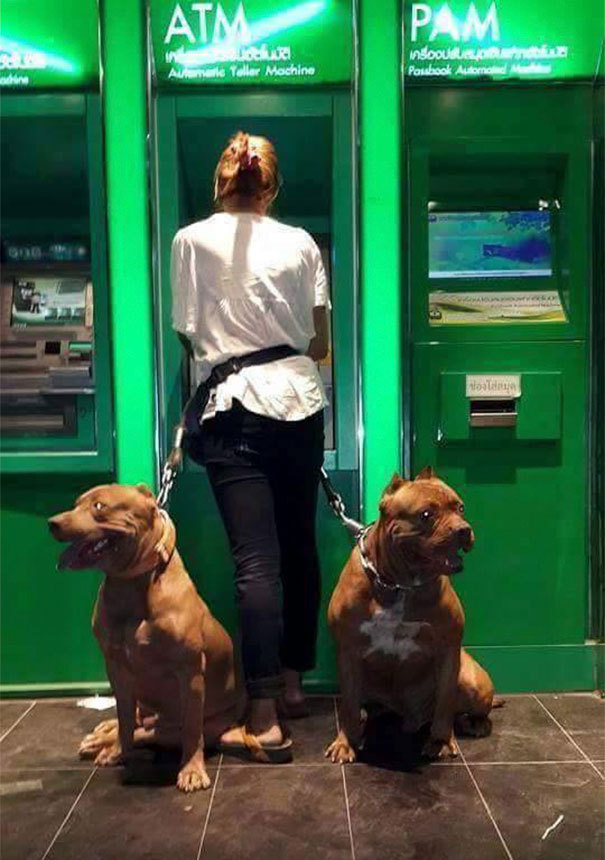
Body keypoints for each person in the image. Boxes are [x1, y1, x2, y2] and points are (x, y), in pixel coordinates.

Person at [170, 131, 330, 762]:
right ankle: (292, 686)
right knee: (298, 549)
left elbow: (189, 334)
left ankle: (262, 720)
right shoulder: (302, 243)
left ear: (219, 182)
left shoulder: (190, 240)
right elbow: (319, 341)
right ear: (272, 187)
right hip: (301, 404)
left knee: (256, 562)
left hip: (235, 406)